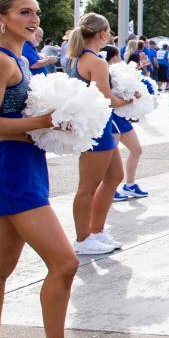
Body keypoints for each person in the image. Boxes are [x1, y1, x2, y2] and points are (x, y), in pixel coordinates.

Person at [0, 0, 90, 338]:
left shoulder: (18, 58)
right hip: (10, 171)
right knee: (65, 263)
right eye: (23, 12)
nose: (33, 19)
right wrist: (44, 122)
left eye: (35, 12)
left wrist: (53, 125)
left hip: (23, 165)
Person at [68, 14, 135, 255]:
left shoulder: (79, 58)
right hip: (96, 126)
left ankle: (96, 231)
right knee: (87, 186)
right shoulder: (96, 61)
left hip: (98, 125)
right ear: (102, 34)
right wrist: (129, 100)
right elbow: (105, 98)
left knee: (115, 175)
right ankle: (83, 238)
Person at [102, 45, 149, 200]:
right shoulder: (107, 72)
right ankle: (109, 189)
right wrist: (131, 98)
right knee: (110, 156)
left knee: (136, 150)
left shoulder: (116, 72)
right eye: (118, 56)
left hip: (120, 117)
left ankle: (129, 185)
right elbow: (111, 99)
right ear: (115, 57)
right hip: (113, 116)